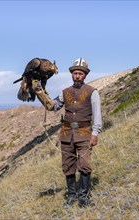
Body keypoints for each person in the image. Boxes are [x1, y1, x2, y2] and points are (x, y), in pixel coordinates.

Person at [32, 58, 102, 208]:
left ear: (85, 75)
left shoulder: (92, 92)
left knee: (84, 165)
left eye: (80, 74)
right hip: (66, 134)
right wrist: (40, 92)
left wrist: (95, 134)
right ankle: (71, 196)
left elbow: (97, 115)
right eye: (75, 73)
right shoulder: (65, 93)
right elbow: (53, 107)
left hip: (85, 134)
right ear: (71, 74)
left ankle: (83, 197)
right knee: (68, 165)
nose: (77, 76)